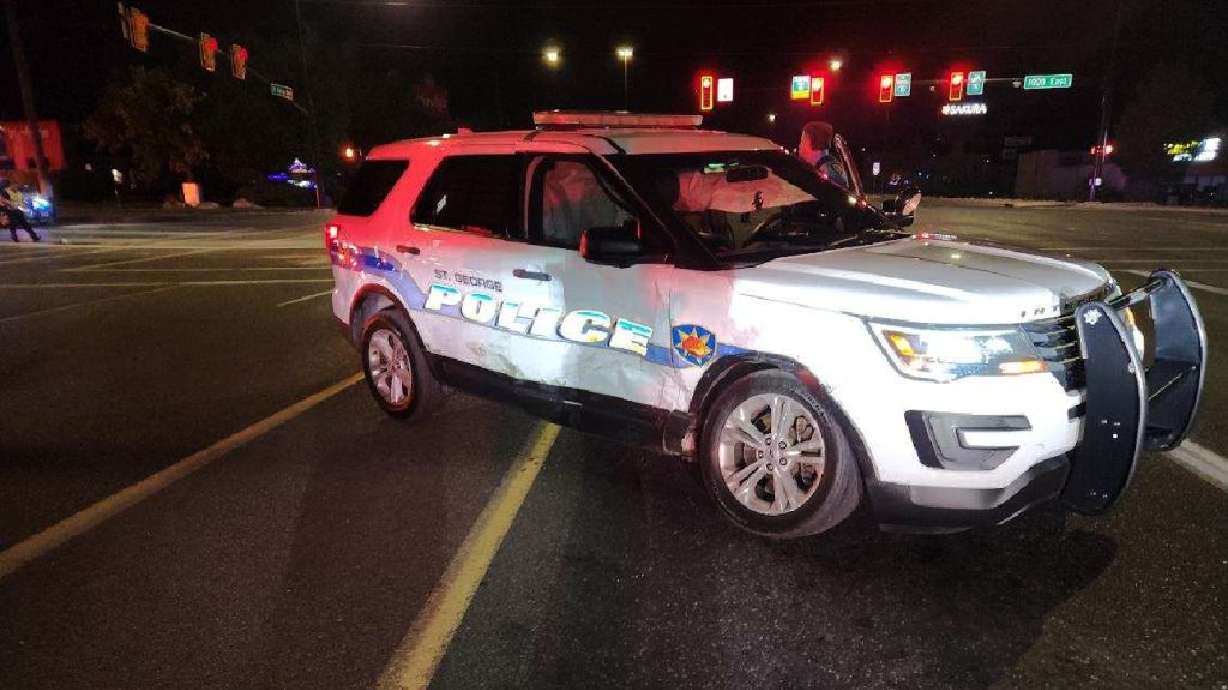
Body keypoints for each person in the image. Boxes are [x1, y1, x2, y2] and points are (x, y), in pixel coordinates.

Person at [797, 121, 850, 190]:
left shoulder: (828, 170)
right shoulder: (828, 167)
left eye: (803, 141)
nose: (799, 146)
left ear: (814, 142)